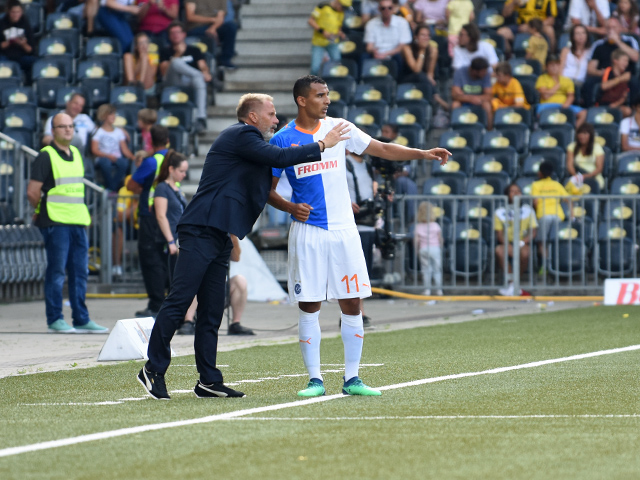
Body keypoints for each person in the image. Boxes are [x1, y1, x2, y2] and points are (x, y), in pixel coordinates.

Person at [136, 93, 349, 400]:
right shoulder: (242, 135)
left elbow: (269, 177)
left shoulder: (250, 144)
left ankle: (208, 380)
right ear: (252, 117)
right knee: (180, 300)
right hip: (201, 229)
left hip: (220, 233)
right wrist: (321, 144)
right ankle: (153, 369)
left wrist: (290, 205)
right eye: (271, 114)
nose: (276, 120)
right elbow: (279, 158)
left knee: (212, 311)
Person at [268, 75, 451, 398]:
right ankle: (315, 380)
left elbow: (382, 149)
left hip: (344, 230)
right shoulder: (282, 140)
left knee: (352, 302)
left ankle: (352, 378)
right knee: (309, 305)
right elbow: (265, 190)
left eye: (327, 94)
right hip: (308, 232)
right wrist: (289, 207)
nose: (327, 100)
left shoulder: (340, 128)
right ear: (301, 100)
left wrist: (422, 153)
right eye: (320, 95)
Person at [26, 113, 109, 334]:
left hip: (77, 220)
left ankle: (81, 319)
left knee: (80, 272)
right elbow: (32, 192)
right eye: (62, 126)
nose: (68, 129)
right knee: (57, 272)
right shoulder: (46, 156)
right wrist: (40, 210)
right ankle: (55, 319)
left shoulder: (77, 154)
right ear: (53, 131)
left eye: (71, 126)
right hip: (55, 221)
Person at [152, 149, 198, 333]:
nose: (184, 175)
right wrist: (171, 241)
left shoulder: (177, 189)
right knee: (176, 282)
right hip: (171, 242)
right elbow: (161, 216)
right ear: (171, 169)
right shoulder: (162, 188)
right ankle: (180, 318)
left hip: (181, 240)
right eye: (181, 171)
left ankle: (186, 317)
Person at [127, 125, 170, 319]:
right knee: (166, 259)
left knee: (151, 259)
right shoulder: (173, 158)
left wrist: (144, 187)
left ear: (151, 141)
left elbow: (131, 185)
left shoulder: (151, 162)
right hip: (170, 214)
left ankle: (156, 304)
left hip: (151, 216)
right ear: (168, 140)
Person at [159, 21, 212, 133]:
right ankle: (201, 76)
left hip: (190, 81)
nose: (175, 35)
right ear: (169, 36)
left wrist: (205, 72)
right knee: (176, 62)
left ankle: (201, 118)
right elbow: (164, 72)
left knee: (199, 79)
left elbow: (203, 66)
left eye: (178, 32)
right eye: (172, 33)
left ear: (184, 34)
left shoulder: (194, 50)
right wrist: (177, 55)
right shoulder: (165, 51)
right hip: (172, 81)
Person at [345, 149, 377, 327]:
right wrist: (344, 201)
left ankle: (357, 312)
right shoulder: (343, 162)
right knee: (353, 271)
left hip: (368, 222)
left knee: (364, 272)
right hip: (351, 223)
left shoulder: (368, 166)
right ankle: (355, 313)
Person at [494, 183, 537, 296]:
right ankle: (513, 284)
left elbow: (533, 232)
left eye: (518, 191)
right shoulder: (499, 212)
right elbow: (499, 234)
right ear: (507, 195)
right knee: (499, 250)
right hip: (507, 242)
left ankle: (513, 284)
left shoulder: (528, 210)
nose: (516, 193)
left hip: (522, 242)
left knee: (525, 253)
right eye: (512, 191)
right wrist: (507, 244)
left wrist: (522, 242)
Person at [531, 160, 570, 266]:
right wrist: (572, 216)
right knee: (555, 241)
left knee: (542, 241)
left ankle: (546, 265)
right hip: (558, 215)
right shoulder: (556, 184)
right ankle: (556, 265)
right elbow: (568, 199)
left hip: (543, 215)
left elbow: (535, 202)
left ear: (540, 173)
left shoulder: (536, 185)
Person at [91, 103, 135, 192]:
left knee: (124, 163)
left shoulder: (119, 132)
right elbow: (94, 150)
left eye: (114, 114)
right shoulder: (98, 131)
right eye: (111, 114)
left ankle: (111, 189)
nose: (114, 116)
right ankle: (113, 189)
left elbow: (125, 150)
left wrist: (134, 158)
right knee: (105, 163)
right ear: (104, 115)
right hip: (103, 158)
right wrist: (108, 156)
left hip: (117, 158)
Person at [535, 55, 587, 127]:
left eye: (556, 64)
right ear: (546, 67)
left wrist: (565, 106)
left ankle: (572, 130)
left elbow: (571, 96)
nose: (554, 67)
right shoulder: (542, 78)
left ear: (560, 66)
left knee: (583, 113)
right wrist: (557, 86)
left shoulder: (567, 80)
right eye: (551, 65)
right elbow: (545, 96)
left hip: (563, 106)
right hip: (546, 105)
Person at [184, 0, 238, 69]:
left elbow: (220, 18)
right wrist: (212, 20)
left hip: (215, 27)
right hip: (196, 27)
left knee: (230, 27)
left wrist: (213, 28)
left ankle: (225, 59)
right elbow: (190, 17)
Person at [363, 0, 413, 73]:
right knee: (363, 57)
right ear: (379, 9)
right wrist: (373, 51)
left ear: (393, 8)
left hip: (394, 54)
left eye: (389, 8)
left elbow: (402, 46)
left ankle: (398, 79)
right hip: (376, 53)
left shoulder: (402, 22)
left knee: (399, 57)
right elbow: (369, 47)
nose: (386, 10)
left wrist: (386, 54)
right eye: (383, 8)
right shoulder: (371, 24)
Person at [42, 93, 95, 159]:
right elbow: (46, 140)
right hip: (59, 154)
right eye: (76, 103)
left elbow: (97, 134)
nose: (77, 107)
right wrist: (62, 142)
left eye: (81, 106)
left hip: (80, 155)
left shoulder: (85, 119)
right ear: (68, 103)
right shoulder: (55, 119)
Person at [307, 0, 350, 76]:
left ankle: (335, 82)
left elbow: (338, 27)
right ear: (338, 2)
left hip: (333, 42)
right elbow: (311, 21)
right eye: (343, 7)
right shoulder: (323, 6)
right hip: (319, 42)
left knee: (337, 64)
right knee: (315, 68)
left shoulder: (341, 13)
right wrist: (322, 31)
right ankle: (310, 82)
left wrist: (340, 33)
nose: (343, 9)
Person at [451, 57, 493, 130]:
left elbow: (489, 95)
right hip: (464, 102)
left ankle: (489, 130)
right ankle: (455, 130)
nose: (485, 73)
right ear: (474, 71)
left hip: (479, 101)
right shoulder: (460, 72)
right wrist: (470, 99)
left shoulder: (486, 75)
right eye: (483, 71)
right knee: (455, 104)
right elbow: (454, 95)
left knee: (487, 105)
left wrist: (466, 96)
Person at [414, 201, 443, 296]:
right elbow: (440, 239)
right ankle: (439, 290)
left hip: (423, 249)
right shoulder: (436, 225)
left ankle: (427, 290)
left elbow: (416, 240)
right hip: (435, 248)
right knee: (437, 270)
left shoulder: (418, 226)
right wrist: (441, 247)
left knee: (426, 270)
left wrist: (416, 250)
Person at [113, 173, 139, 279]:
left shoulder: (151, 189)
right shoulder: (124, 190)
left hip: (144, 224)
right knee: (117, 228)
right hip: (130, 225)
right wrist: (135, 205)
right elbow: (120, 216)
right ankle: (117, 267)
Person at [0, 0, 36, 76]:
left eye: (18, 12)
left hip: (22, 56)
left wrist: (23, 44)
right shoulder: (2, 23)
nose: (15, 15)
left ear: (21, 12)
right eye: (13, 12)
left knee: (34, 62)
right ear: (8, 12)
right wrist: (8, 42)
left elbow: (31, 50)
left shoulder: (25, 24)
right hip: (6, 56)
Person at [566, 123, 605, 190]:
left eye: (585, 133)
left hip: (593, 177)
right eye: (580, 133)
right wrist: (576, 176)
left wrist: (586, 176)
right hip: (576, 176)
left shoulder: (597, 147)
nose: (581, 136)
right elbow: (570, 165)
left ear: (590, 135)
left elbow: (599, 168)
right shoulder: (571, 147)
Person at [596, 49, 632, 118]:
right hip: (604, 103)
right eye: (624, 60)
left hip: (618, 105)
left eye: (627, 61)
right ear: (615, 61)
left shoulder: (625, 75)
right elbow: (604, 86)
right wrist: (620, 78)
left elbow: (625, 95)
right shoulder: (608, 71)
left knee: (627, 111)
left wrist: (616, 104)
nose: (626, 63)